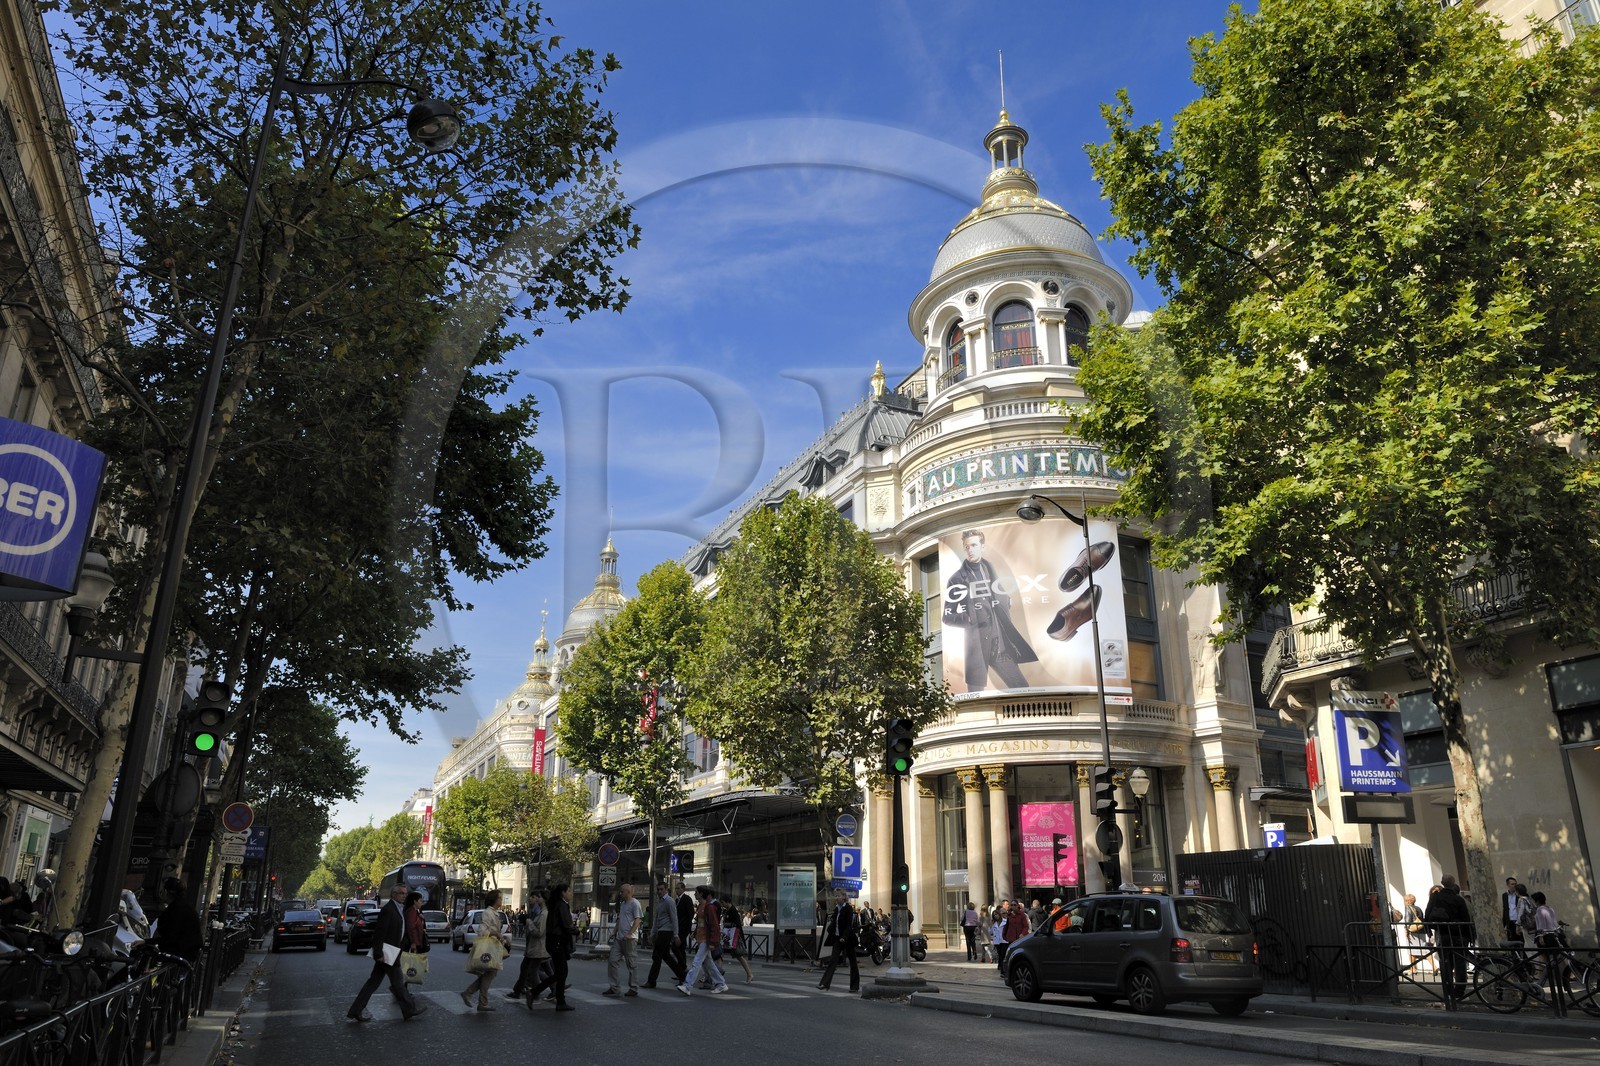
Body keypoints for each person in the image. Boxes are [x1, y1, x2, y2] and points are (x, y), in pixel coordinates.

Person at [942, 528, 1037, 692]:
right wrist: (969, 619)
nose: (970, 550)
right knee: (974, 697)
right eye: (966, 547)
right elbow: (947, 616)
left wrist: (1006, 600)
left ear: (982, 546)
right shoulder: (957, 579)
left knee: (1022, 688)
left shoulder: (990, 568)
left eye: (973, 545)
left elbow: (999, 594)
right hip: (977, 647)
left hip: (1000, 646)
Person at [346, 882, 424, 1022]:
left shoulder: (398, 909)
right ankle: (409, 1009)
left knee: (374, 983)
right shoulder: (388, 910)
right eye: (401, 893)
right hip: (387, 953)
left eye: (405, 894)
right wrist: (378, 953)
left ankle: (355, 1011)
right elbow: (380, 933)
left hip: (392, 951)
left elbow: (400, 930)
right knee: (398, 983)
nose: (404, 896)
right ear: (394, 894)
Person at [1423, 874, 1475, 1003]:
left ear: (1442, 882)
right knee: (1460, 964)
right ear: (1453, 884)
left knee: (1446, 963)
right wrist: (1470, 937)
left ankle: (1448, 990)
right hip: (1458, 934)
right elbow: (1465, 918)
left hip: (1443, 933)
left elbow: (1427, 913)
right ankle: (1459, 991)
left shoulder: (1435, 897)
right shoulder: (1458, 900)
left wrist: (1428, 930)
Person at [528, 884, 576, 1011]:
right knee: (561, 973)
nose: (570, 893)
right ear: (563, 893)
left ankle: (559, 1000)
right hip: (558, 942)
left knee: (561, 973)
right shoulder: (562, 905)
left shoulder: (555, 905)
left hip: (554, 942)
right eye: (569, 890)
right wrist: (576, 931)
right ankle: (536, 993)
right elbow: (566, 925)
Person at [460, 890, 509, 1011]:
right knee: (491, 973)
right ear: (495, 899)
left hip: (493, 946)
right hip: (489, 947)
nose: (501, 900)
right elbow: (482, 931)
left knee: (490, 973)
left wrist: (502, 936)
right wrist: (495, 933)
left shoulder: (494, 913)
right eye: (500, 898)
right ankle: (480, 1001)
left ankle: (471, 994)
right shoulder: (488, 913)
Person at [678, 885, 728, 995]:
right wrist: (695, 933)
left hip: (706, 939)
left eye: (696, 892)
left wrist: (713, 942)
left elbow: (714, 925)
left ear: (701, 893)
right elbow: (701, 923)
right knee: (709, 964)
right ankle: (721, 984)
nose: (694, 894)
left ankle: (687, 985)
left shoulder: (709, 907)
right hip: (702, 938)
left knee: (697, 962)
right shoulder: (701, 905)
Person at [644, 881, 686, 989]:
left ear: (666, 889)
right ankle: (683, 976)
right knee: (666, 956)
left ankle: (651, 981)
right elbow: (656, 919)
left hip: (667, 932)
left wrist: (676, 935)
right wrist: (652, 933)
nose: (659, 891)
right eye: (658, 889)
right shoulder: (660, 903)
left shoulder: (669, 901)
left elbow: (674, 918)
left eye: (661, 889)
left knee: (656, 955)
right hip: (661, 931)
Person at [507, 894, 550, 1000]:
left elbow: (539, 932)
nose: (532, 898)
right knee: (529, 969)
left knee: (533, 970)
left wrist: (529, 922)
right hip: (533, 946)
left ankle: (535, 992)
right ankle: (520, 990)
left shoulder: (542, 913)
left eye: (536, 897)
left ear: (543, 899)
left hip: (537, 946)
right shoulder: (538, 911)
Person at [816, 889, 859, 993]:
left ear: (844, 897)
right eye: (836, 896)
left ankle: (854, 987)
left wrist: (844, 936)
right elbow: (835, 922)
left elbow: (849, 925)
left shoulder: (848, 909)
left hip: (847, 938)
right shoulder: (836, 909)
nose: (836, 898)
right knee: (833, 960)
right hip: (837, 938)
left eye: (838, 896)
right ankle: (824, 984)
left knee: (853, 962)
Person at [604, 883, 643, 996]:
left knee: (631, 964)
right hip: (619, 938)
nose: (620, 894)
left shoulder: (635, 903)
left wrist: (630, 933)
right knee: (612, 960)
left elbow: (637, 920)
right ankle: (614, 987)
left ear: (628, 892)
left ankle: (633, 988)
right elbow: (620, 919)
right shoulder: (622, 904)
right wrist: (614, 931)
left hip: (629, 939)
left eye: (622, 892)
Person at [153, 878, 203, 963]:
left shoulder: (175, 910)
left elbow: (171, 937)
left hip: (178, 955)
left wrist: (148, 942)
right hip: (186, 953)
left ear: (167, 892)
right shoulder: (185, 907)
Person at [1529, 891, 1568, 995]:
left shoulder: (1540, 910)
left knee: (1544, 956)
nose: (1533, 902)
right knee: (1559, 955)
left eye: (1533, 900)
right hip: (1554, 934)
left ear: (1537, 901)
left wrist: (1541, 936)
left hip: (1546, 936)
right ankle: (1569, 973)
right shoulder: (1550, 908)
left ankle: (1539, 975)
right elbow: (1553, 921)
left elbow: (1541, 924)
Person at [720, 896, 754, 984]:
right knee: (720, 955)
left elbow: (737, 925)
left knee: (739, 956)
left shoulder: (733, 911)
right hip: (728, 937)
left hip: (733, 937)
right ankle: (718, 975)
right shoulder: (727, 910)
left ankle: (749, 974)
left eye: (723, 903)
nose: (722, 905)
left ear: (727, 902)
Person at [1501, 876, 1523, 943]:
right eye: (1512, 884)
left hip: (1518, 922)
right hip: (1510, 923)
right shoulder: (1504, 895)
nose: (1514, 886)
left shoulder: (1519, 895)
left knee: (1520, 941)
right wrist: (1503, 925)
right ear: (1508, 885)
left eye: (1515, 884)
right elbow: (1505, 910)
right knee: (1511, 941)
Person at [992, 900, 1010, 973]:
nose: (1005, 914)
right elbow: (991, 931)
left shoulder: (1007, 921)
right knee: (1000, 955)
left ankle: (1002, 970)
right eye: (1003, 913)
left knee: (1003, 955)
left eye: (1006, 913)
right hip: (998, 941)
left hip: (1005, 941)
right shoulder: (996, 922)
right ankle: (1000, 966)